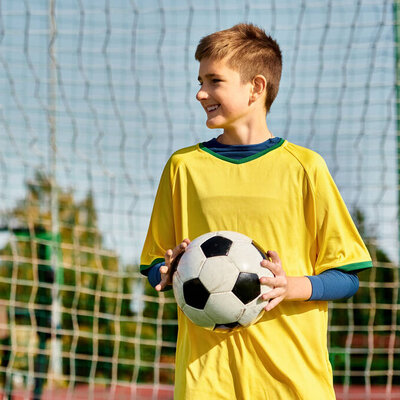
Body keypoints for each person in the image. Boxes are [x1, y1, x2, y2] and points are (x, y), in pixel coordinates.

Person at [139, 23, 372, 399]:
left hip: (292, 381)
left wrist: (291, 286)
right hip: (206, 381)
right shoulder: (183, 167)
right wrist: (167, 271)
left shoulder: (304, 167)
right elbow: (154, 264)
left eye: (214, 81)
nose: (200, 93)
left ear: (256, 87)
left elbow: (348, 274)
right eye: (199, 81)